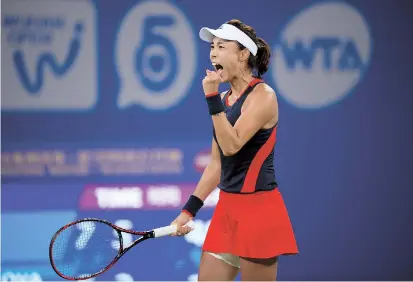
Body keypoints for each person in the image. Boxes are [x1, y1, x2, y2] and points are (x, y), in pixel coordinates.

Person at [171, 19, 298, 281]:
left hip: (259, 213)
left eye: (221, 46)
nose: (213, 53)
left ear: (242, 56)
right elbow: (217, 164)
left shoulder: (264, 96)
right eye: (212, 47)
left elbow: (232, 145)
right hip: (227, 213)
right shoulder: (227, 100)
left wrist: (211, 98)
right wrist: (187, 212)